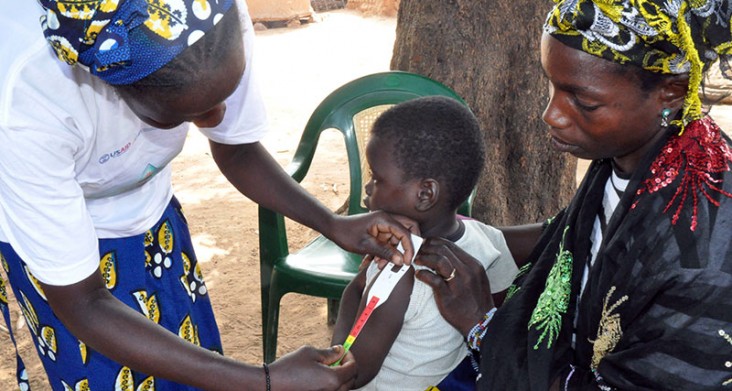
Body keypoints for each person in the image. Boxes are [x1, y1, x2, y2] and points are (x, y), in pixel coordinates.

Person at [0, 1, 415, 390]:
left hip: (153, 215)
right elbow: (84, 303)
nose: (215, 117)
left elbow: (236, 148)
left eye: (223, 96)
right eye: (188, 114)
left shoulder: (206, 16)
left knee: (194, 364)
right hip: (65, 259)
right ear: (114, 87)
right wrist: (264, 381)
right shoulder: (27, 101)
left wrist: (332, 224)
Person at [412, 0, 732, 390]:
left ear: (671, 92)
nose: (552, 114)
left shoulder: (699, 251)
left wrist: (480, 322)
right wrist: (453, 234)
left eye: (584, 101)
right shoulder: (640, 153)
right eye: (552, 85)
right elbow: (572, 235)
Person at [331, 96, 518, 390]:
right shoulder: (489, 241)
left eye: (376, 178)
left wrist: (357, 290)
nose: (367, 188)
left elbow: (348, 373)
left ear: (425, 194)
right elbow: (492, 319)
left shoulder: (398, 270)